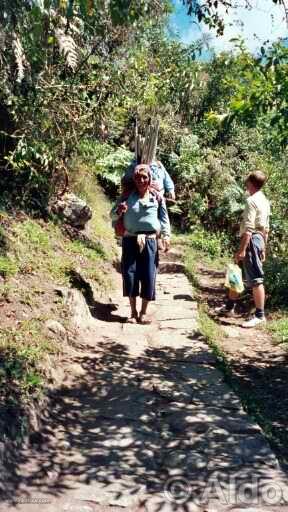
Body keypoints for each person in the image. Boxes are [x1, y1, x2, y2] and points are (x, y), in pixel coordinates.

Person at [113, 164, 171, 324]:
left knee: (148, 275)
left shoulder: (157, 197)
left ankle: (143, 312)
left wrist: (166, 236)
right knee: (130, 275)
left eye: (145, 177)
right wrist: (119, 210)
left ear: (149, 179)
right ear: (134, 179)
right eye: (138, 178)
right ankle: (132, 312)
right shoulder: (126, 196)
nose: (141, 181)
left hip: (150, 241)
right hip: (130, 240)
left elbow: (164, 219)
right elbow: (112, 215)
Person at [216, 170, 271, 328]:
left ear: (250, 183)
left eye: (247, 182)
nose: (245, 185)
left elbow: (248, 229)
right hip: (259, 239)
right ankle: (229, 306)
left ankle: (260, 315)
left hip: (251, 240)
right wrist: (264, 249)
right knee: (236, 272)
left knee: (255, 279)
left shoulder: (251, 200)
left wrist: (242, 250)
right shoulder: (265, 200)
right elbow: (266, 229)